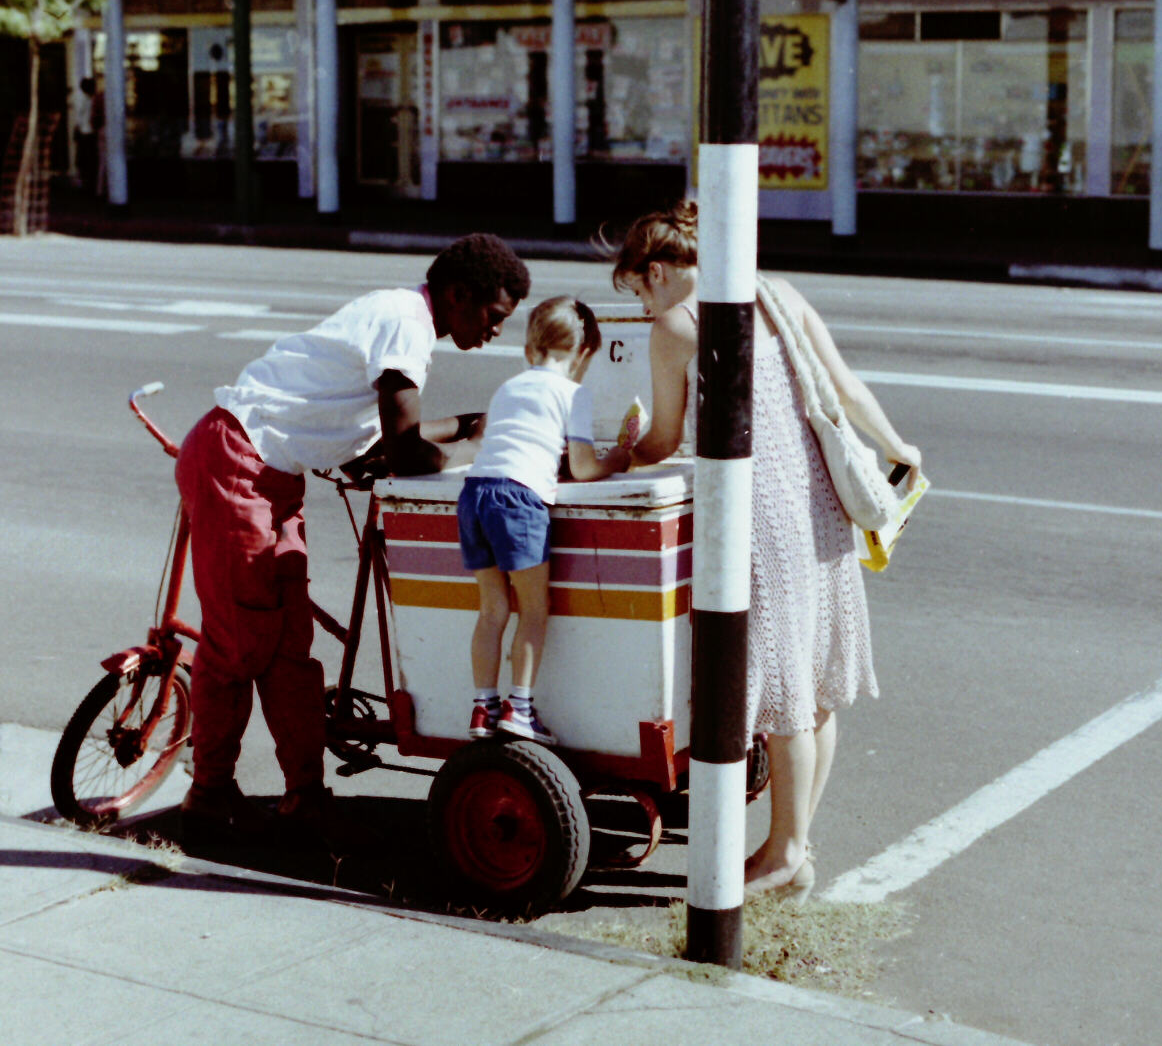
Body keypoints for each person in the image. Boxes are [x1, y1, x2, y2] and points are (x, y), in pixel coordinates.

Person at [174, 233, 531, 847]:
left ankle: (305, 799)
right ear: (459, 294)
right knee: (239, 645)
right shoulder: (406, 323)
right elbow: (405, 449)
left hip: (268, 474)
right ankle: (210, 795)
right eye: (493, 317)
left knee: (288, 649)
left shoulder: (403, 319)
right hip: (236, 462)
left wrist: (465, 425)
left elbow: (378, 440)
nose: (496, 332)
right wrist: (482, 444)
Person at [609, 201, 921, 899]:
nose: (641, 303)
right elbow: (843, 386)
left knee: (782, 693)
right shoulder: (777, 294)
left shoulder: (677, 326)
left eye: (637, 289)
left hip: (760, 517)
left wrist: (613, 454)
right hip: (818, 509)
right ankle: (795, 846)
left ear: (655, 271)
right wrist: (899, 448)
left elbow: (662, 439)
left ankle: (782, 852)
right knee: (812, 689)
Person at [458, 296, 632, 746]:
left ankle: (483, 708)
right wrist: (618, 457)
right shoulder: (574, 393)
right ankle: (520, 708)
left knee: (492, 609)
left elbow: (512, 444)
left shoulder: (508, 388)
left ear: (530, 347)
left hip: (476, 494)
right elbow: (585, 466)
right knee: (533, 609)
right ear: (585, 353)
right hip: (518, 500)